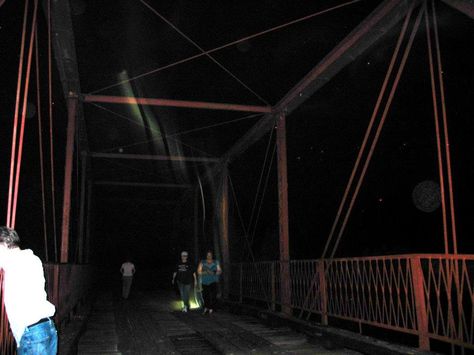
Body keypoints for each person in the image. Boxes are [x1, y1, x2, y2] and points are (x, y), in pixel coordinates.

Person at [0, 226, 57, 354]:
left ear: (3, 246)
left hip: (32, 334)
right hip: (47, 327)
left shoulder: (14, 264)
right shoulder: (32, 259)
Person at [197, 250, 222, 314]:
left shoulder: (216, 262)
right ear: (206, 255)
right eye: (208, 255)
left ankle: (211, 308)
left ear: (212, 255)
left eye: (210, 255)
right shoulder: (202, 262)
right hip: (205, 282)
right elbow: (198, 271)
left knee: (213, 296)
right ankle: (206, 307)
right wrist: (204, 272)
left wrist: (213, 272)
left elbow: (219, 271)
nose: (209, 256)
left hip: (213, 281)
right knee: (205, 296)